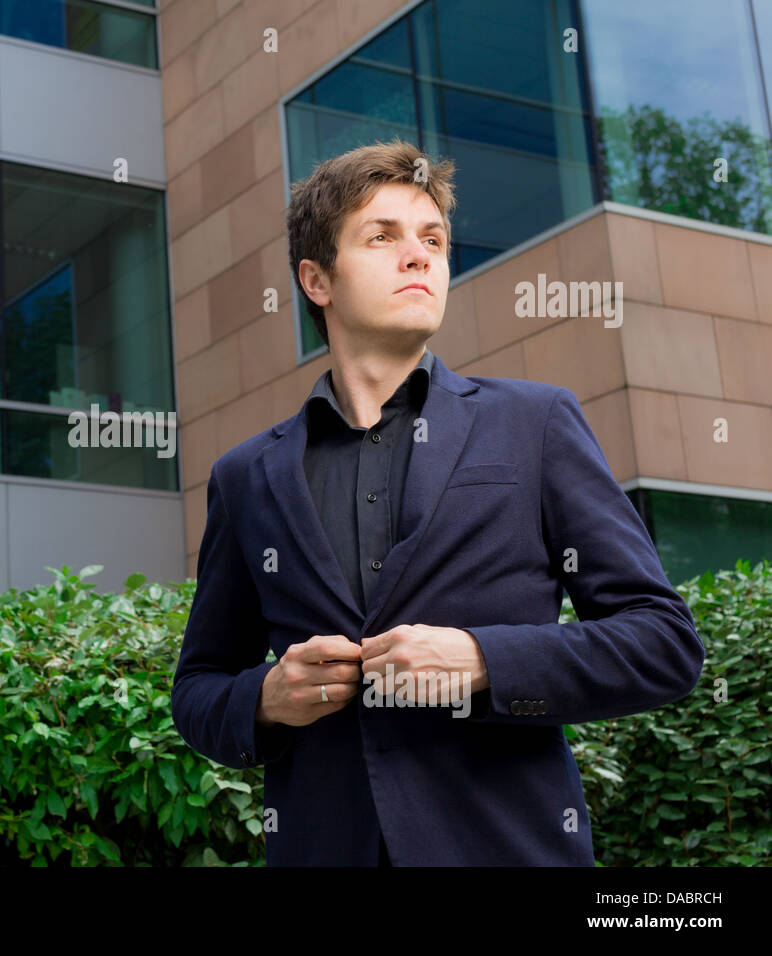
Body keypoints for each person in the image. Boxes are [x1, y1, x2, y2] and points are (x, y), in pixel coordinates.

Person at [170, 139, 705, 866]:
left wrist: (483, 659)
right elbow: (198, 690)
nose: (419, 256)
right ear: (316, 279)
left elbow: (664, 644)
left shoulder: (535, 424)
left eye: (432, 240)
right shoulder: (246, 476)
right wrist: (265, 697)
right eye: (381, 237)